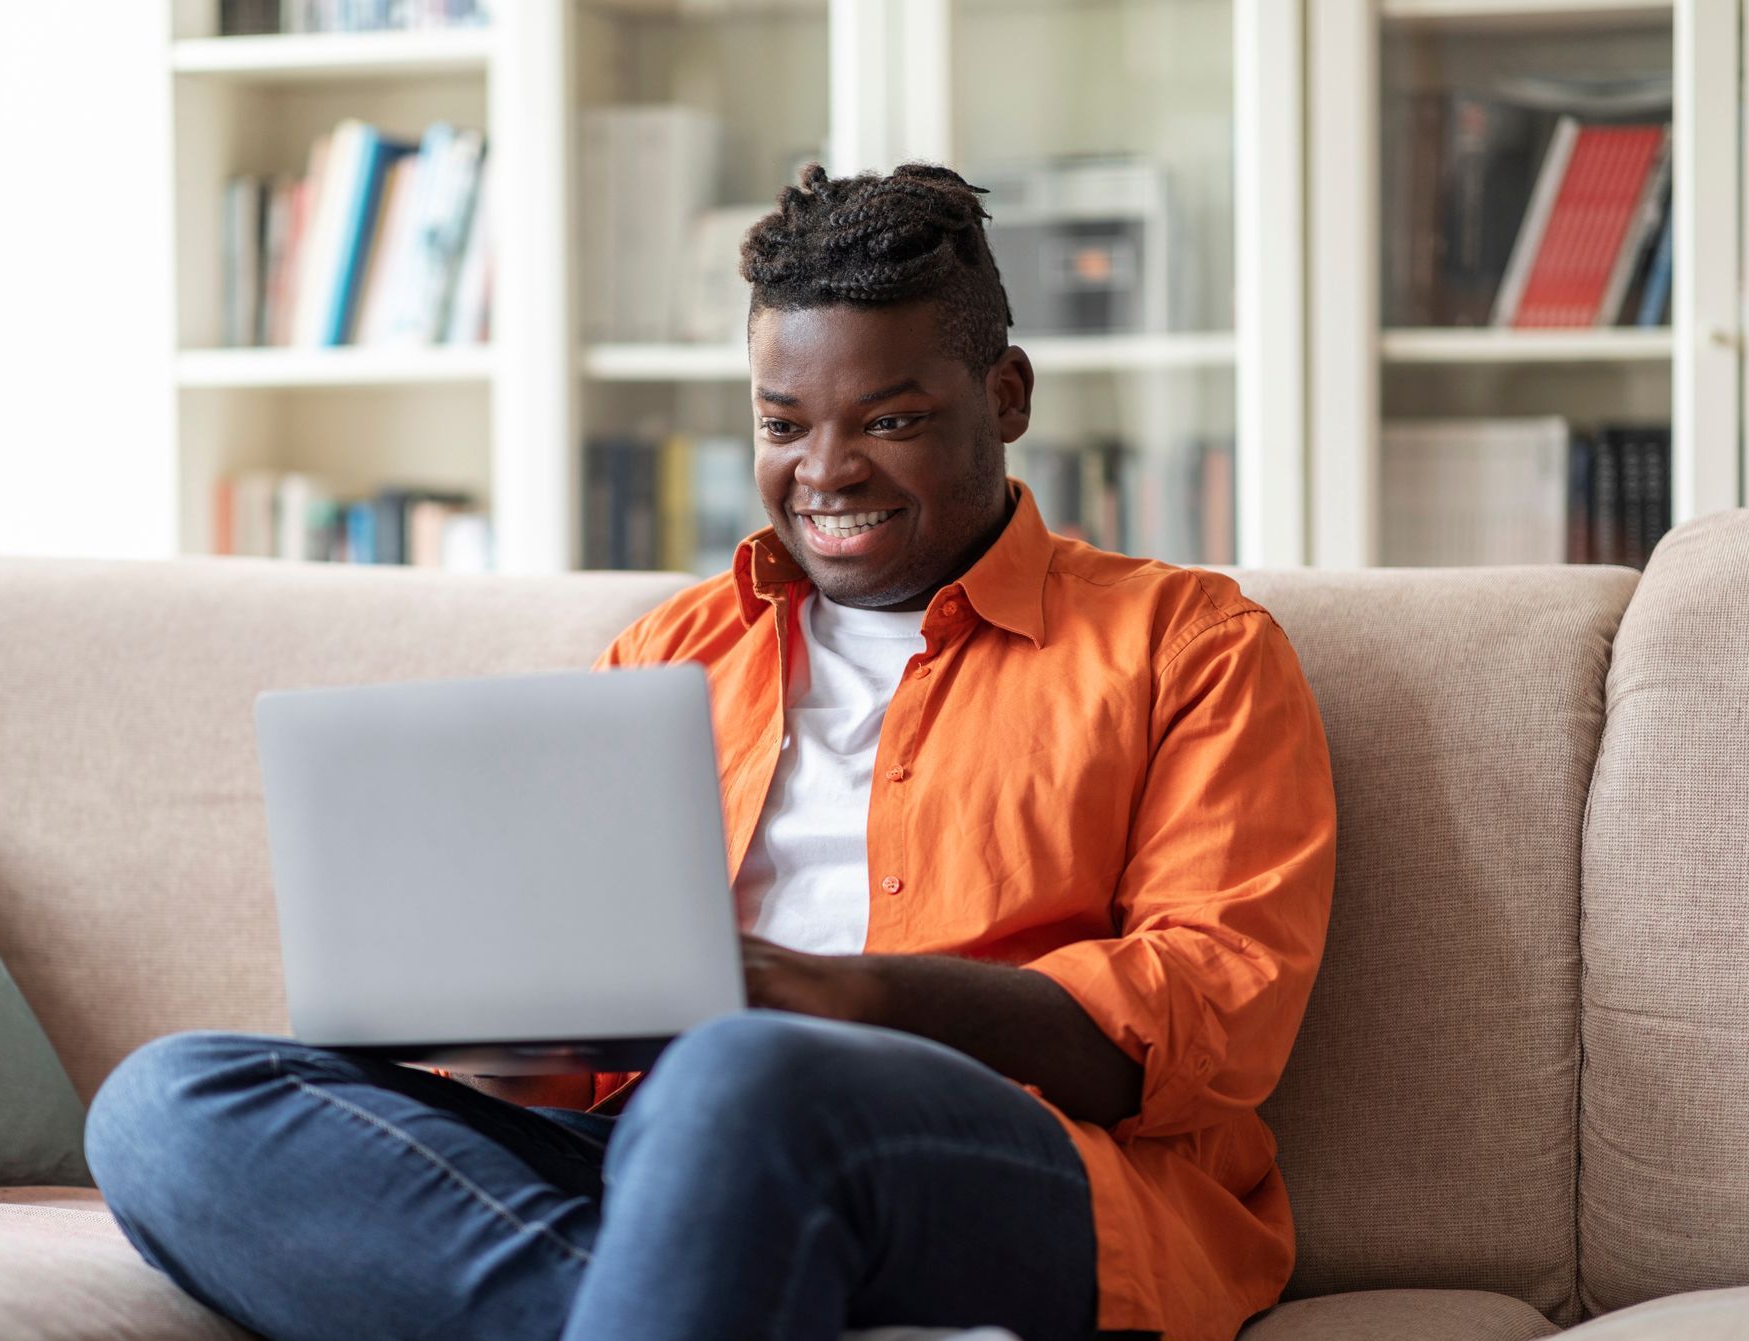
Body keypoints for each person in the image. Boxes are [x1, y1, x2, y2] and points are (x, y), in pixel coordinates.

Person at [84, 162, 1336, 1341]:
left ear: (1004, 395)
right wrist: (494, 1018)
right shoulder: (671, 653)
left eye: (890, 419)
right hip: (662, 1150)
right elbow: (573, 1057)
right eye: (783, 424)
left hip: (1028, 1165)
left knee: (745, 1074)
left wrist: (830, 998)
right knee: (170, 1108)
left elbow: (1210, 1021)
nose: (826, 471)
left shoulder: (1190, 642)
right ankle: (705, 1290)